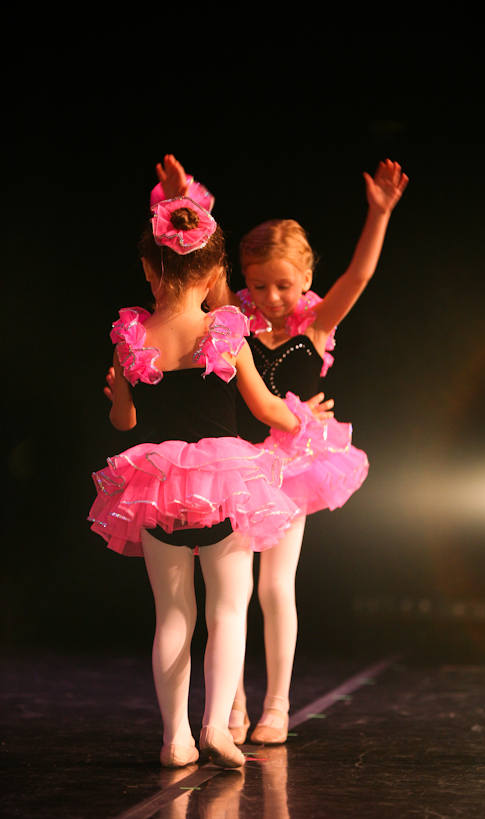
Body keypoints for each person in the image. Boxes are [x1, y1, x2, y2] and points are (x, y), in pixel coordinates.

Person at [119, 154, 408, 747]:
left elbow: (358, 276)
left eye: (283, 285)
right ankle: (232, 707)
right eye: (258, 285)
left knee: (274, 588)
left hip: (290, 464)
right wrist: (184, 198)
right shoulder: (234, 319)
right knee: (233, 592)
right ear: (242, 282)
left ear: (305, 279)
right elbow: (197, 265)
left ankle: (276, 703)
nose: (271, 297)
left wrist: (378, 214)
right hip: (236, 466)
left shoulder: (316, 323)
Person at [90, 195, 332, 769]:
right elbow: (266, 408)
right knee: (228, 609)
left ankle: (175, 738)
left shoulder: (132, 338)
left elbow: (125, 422)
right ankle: (217, 728)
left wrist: (118, 395)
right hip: (224, 485)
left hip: (157, 489)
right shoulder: (225, 332)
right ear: (215, 272)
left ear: (149, 269)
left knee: (173, 614)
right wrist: (303, 420)